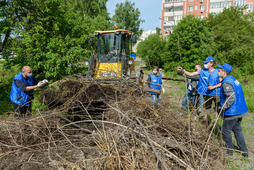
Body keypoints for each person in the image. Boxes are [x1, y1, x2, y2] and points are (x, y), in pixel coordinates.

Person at [217, 64, 248, 157]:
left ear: (224, 72)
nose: (218, 71)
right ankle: (244, 151)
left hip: (233, 111)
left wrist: (223, 107)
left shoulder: (226, 82)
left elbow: (231, 97)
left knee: (225, 129)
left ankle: (229, 150)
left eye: (220, 70)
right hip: (240, 109)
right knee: (237, 130)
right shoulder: (233, 79)